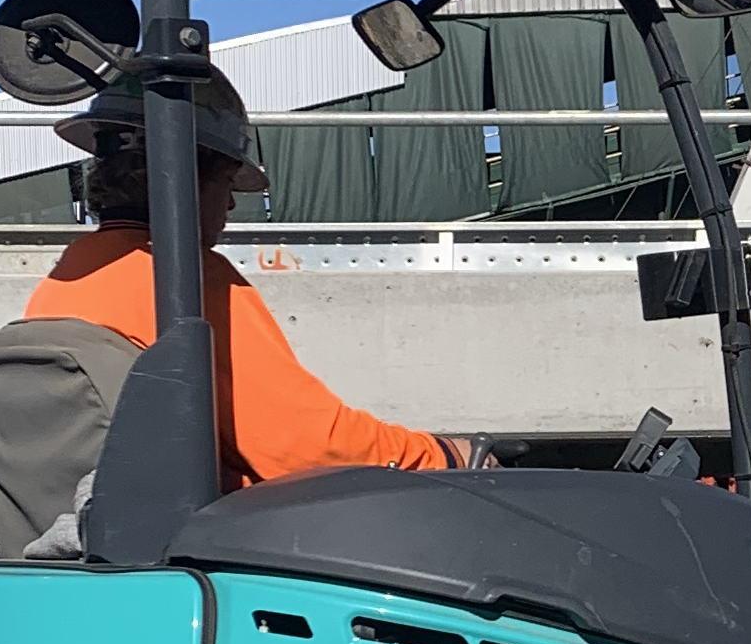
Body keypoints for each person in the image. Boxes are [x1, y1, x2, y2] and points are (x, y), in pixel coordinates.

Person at [29, 68, 479, 483]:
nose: (229, 206)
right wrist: (446, 455)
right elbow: (311, 448)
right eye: (226, 183)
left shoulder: (66, 279)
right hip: (206, 541)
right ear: (183, 176)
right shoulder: (184, 279)